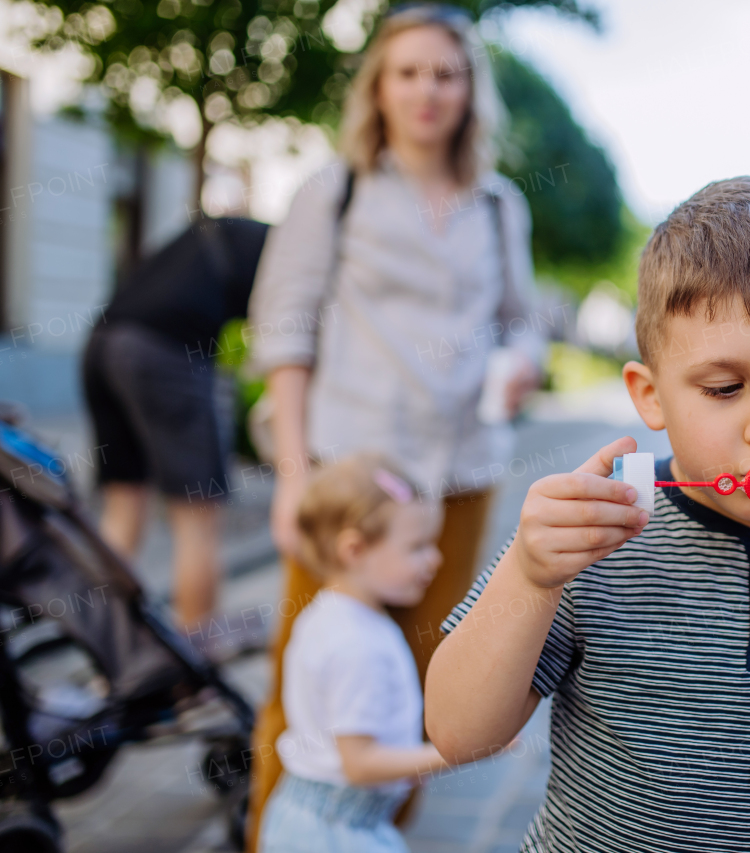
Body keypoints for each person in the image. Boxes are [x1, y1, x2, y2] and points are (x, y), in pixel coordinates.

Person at [425, 178, 750, 852]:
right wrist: (530, 579)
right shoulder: (591, 537)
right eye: (723, 387)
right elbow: (456, 728)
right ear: (650, 396)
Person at [245, 4, 544, 844]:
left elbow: (521, 320)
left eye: (445, 73)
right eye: (407, 71)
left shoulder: (498, 205)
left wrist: (521, 359)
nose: (426, 90)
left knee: (424, 675)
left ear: (468, 90)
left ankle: (375, 833)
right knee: (308, 677)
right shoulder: (332, 190)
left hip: (460, 474)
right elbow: (285, 330)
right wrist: (296, 475)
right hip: (354, 478)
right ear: (379, 87)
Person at [82, 217, 269, 646]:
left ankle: (107, 654)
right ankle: (196, 668)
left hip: (103, 341)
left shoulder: (238, 233)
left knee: (123, 508)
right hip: (164, 350)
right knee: (198, 520)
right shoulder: (290, 251)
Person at [258, 454, 448, 853]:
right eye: (417, 546)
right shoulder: (357, 644)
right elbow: (360, 764)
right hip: (338, 834)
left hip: (307, 819)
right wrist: (455, 753)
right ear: (354, 549)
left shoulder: (327, 615)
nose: (436, 559)